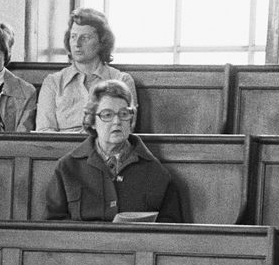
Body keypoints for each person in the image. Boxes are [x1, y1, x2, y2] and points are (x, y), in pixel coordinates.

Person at [44, 79, 182, 222]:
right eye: (107, 115)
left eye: (123, 114)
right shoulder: (67, 167)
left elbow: (170, 230)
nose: (117, 121)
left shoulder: (155, 171)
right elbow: (53, 226)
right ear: (92, 121)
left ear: (131, 119)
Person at [35, 7, 136, 132]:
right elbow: (44, 132)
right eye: (73, 37)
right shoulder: (53, 82)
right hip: (62, 150)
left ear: (102, 42)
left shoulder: (122, 80)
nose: (77, 43)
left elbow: (126, 129)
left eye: (85, 37)